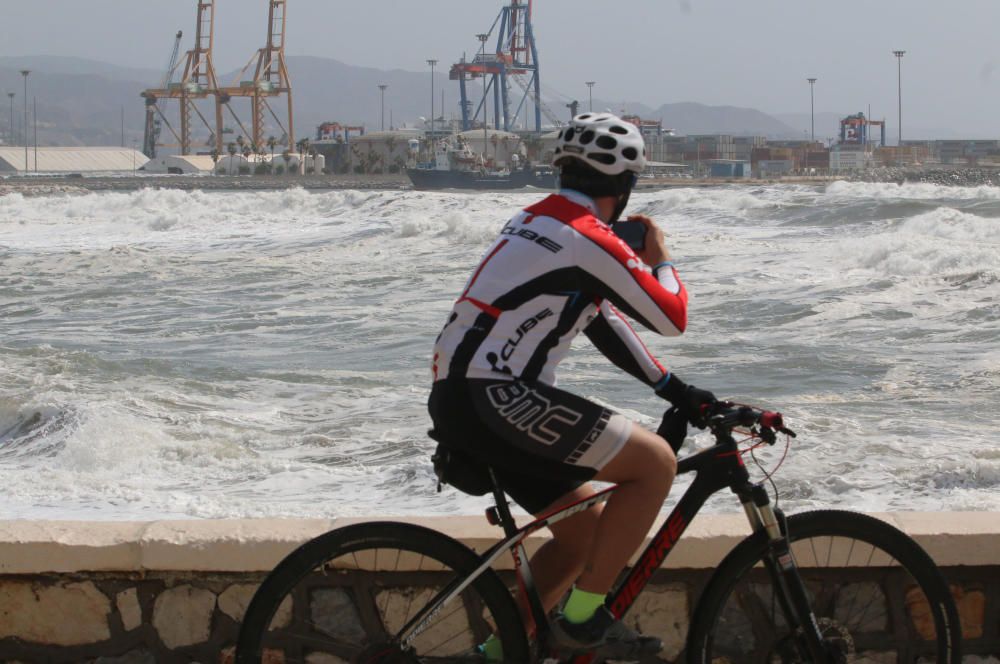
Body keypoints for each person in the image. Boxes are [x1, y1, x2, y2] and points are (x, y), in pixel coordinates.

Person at [428, 112, 716, 660]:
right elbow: (671, 315)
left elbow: (600, 318)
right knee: (655, 464)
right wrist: (660, 255)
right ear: (625, 184)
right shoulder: (588, 238)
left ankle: (495, 654)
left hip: (461, 394)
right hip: (495, 394)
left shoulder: (536, 218)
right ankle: (584, 619)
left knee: (585, 536)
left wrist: (673, 389)